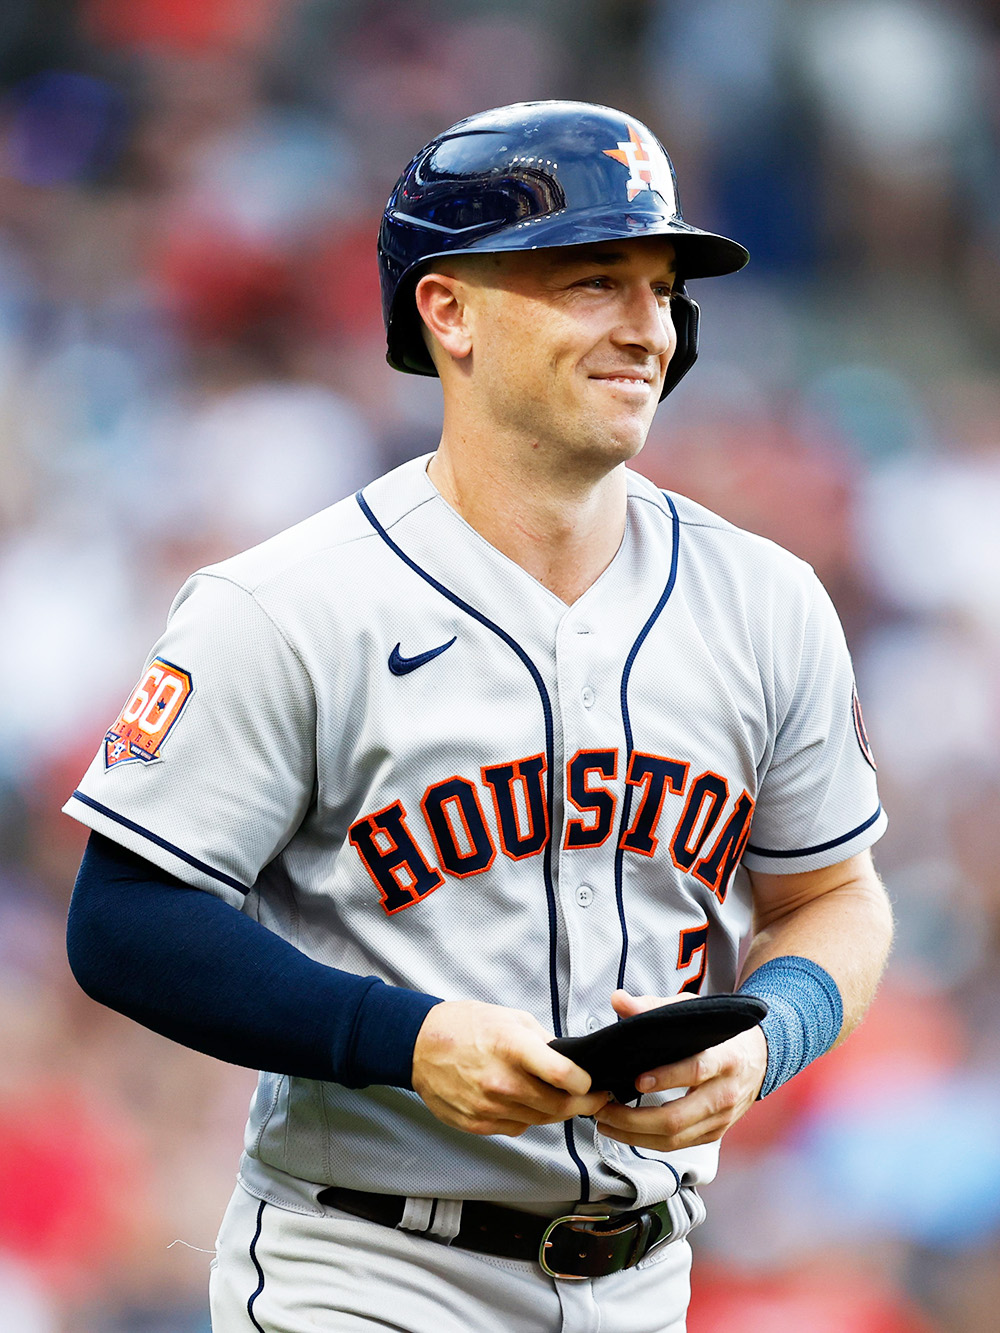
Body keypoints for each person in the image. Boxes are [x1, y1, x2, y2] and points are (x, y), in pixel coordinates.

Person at [64, 101, 893, 1332]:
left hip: (648, 1279)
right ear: (448, 311)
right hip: (367, 1266)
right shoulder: (288, 604)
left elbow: (833, 895)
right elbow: (124, 923)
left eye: (662, 290)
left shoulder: (766, 600)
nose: (647, 327)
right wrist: (405, 1039)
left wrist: (771, 1037)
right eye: (594, 280)